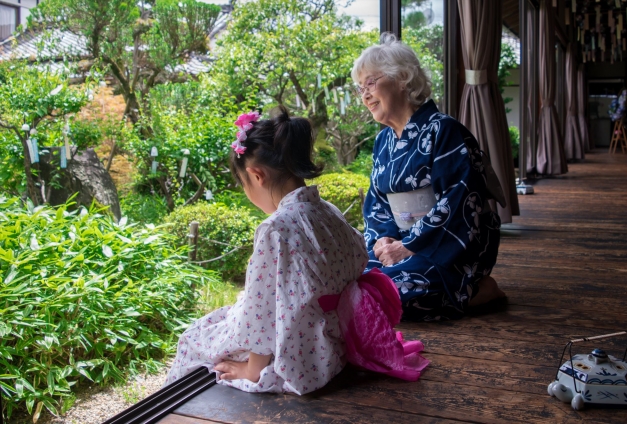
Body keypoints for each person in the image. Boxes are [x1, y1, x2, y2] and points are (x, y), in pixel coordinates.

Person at [164, 108, 429, 395]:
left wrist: (251, 370)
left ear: (256, 175)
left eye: (243, 184)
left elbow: (261, 311)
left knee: (193, 340)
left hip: (304, 352)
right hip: (338, 339)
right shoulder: (328, 210)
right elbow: (358, 259)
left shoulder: (276, 229)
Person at [353, 33, 506, 322]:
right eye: (361, 88)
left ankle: (476, 290)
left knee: (392, 291)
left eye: (371, 82)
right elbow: (378, 203)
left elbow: (460, 198)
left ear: (402, 78)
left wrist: (409, 246)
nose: (365, 94)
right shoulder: (383, 141)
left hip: (450, 246)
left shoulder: (444, 130)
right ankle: (454, 291)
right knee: (351, 276)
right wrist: (384, 239)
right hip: (402, 243)